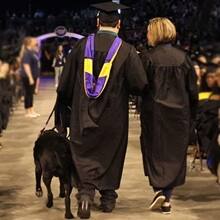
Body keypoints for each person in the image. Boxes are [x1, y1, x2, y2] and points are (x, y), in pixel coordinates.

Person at [55, 2, 147, 219]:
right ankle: (107, 198)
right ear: (119, 24)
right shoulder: (126, 50)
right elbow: (140, 85)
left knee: (84, 152)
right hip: (113, 117)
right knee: (111, 153)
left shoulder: (80, 46)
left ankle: (85, 194)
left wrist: (65, 110)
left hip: (82, 114)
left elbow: (64, 85)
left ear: (97, 23)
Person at [140, 17, 198, 214]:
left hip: (154, 114)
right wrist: (193, 116)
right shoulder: (184, 58)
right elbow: (193, 91)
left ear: (155, 33)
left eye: (148, 31)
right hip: (179, 115)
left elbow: (140, 87)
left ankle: (159, 190)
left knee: (155, 152)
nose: (146, 35)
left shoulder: (147, 58)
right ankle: (167, 198)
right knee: (175, 155)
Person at [20, 37, 41, 118]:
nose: (36, 41)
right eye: (34, 41)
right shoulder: (27, 53)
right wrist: (30, 77)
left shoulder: (32, 52)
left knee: (31, 94)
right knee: (28, 94)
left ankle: (31, 110)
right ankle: (27, 111)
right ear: (29, 43)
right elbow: (26, 65)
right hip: (28, 77)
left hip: (34, 76)